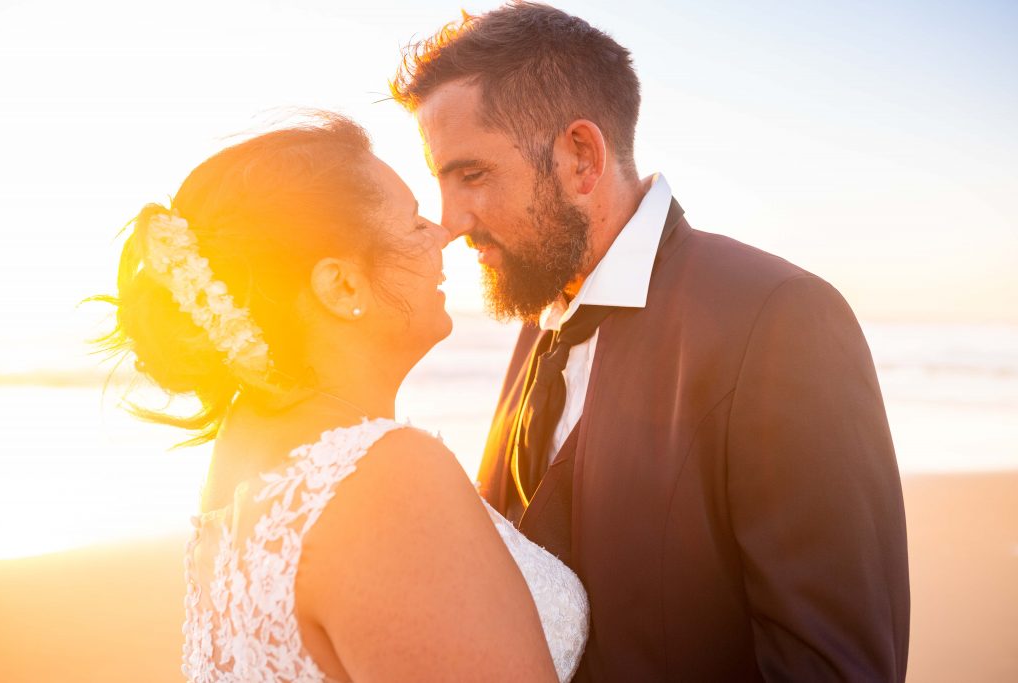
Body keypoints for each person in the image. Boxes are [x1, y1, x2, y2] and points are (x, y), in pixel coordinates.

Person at [391, 3, 910, 681]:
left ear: (582, 157)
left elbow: (837, 668)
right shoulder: (538, 324)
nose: (452, 221)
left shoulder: (781, 318)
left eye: (473, 175)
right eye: (442, 181)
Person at [96, 115, 588, 681]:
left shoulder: (243, 462)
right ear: (341, 286)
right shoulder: (387, 476)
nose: (442, 233)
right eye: (412, 225)